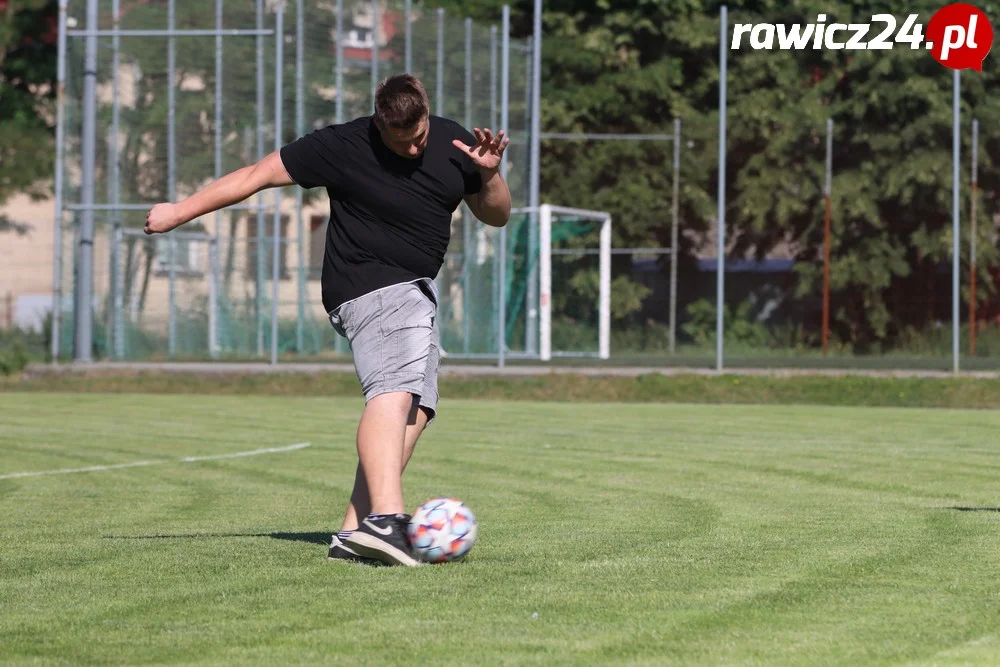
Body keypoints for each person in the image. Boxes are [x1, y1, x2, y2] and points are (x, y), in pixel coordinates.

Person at [144, 74, 512, 566]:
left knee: (416, 410)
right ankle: (387, 520)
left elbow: (497, 216)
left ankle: (354, 531)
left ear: (427, 112)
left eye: (419, 137)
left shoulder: (455, 142)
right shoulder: (340, 145)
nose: (412, 149)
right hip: (372, 287)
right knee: (391, 393)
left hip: (416, 289)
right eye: (400, 142)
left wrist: (489, 175)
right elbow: (254, 175)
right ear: (379, 122)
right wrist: (178, 212)